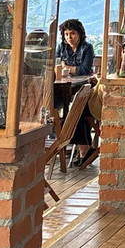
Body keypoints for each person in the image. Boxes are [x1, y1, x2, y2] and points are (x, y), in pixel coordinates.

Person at [55, 19, 95, 165]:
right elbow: (56, 66)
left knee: (80, 108)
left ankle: (82, 148)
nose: (69, 37)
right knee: (55, 104)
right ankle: (82, 148)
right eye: (66, 34)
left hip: (84, 87)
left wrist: (67, 67)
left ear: (79, 34)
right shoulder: (61, 47)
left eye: (72, 33)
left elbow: (84, 70)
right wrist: (70, 68)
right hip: (64, 88)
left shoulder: (87, 48)